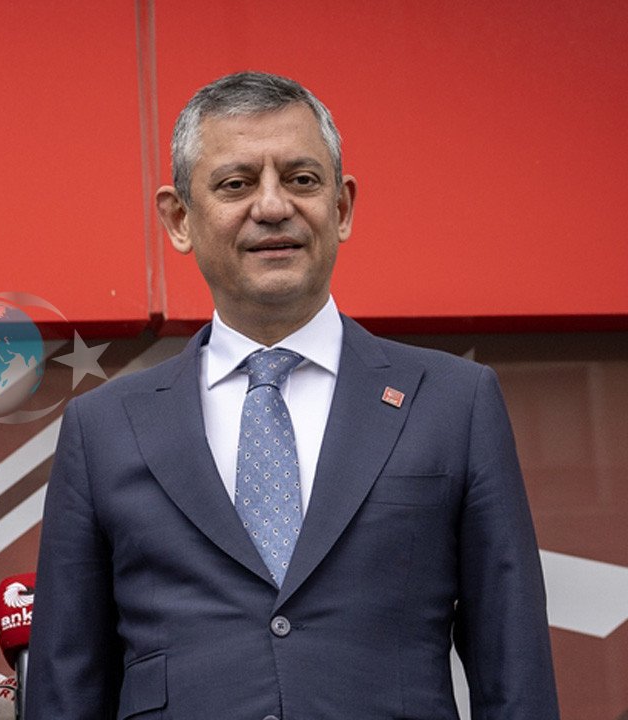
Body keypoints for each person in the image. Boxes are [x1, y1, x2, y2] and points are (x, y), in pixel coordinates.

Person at [28, 72, 559, 718]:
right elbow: (66, 688)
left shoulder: (454, 402)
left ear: (342, 207)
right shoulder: (103, 428)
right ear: (179, 219)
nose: (273, 206)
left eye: (302, 179)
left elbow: (515, 672)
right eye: (236, 184)